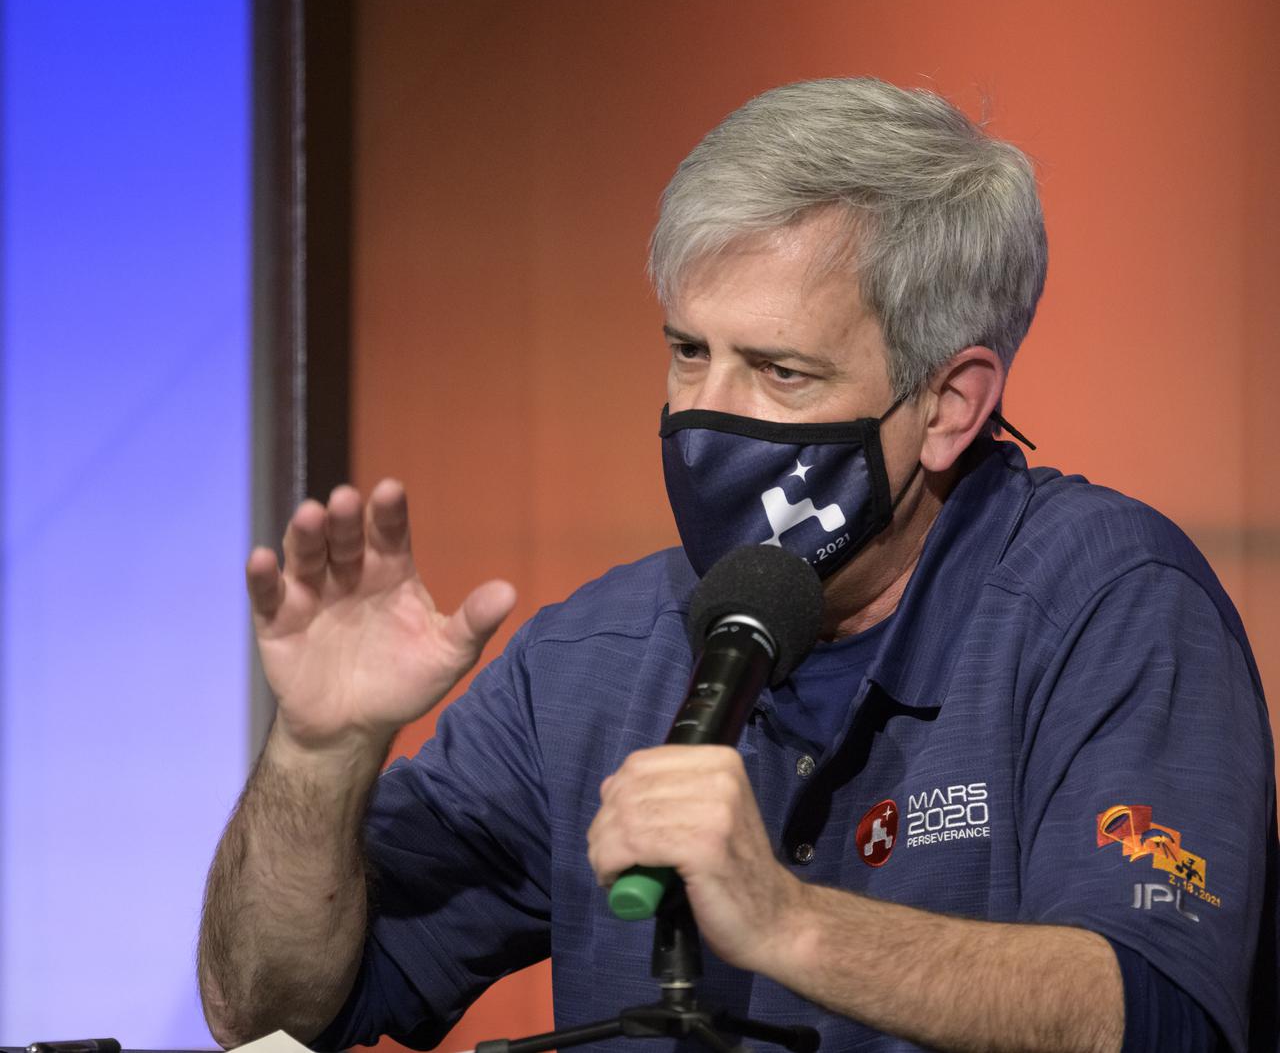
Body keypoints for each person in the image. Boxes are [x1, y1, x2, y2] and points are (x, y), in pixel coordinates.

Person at [198, 78, 1277, 1052]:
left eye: (779, 371)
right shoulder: (592, 655)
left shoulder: (1109, 605)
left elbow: (1160, 1019)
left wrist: (785, 921)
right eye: (685, 351)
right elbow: (270, 1008)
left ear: (949, 406)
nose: (706, 414)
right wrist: (319, 753)